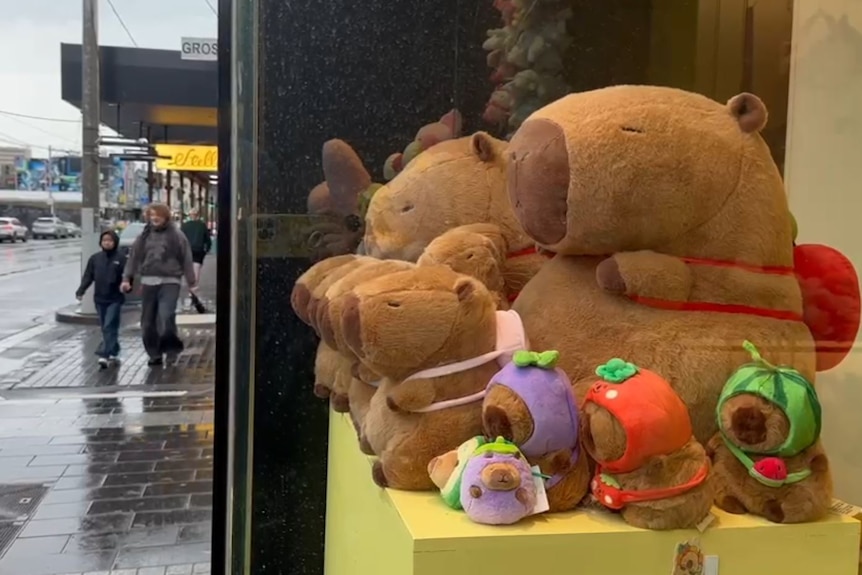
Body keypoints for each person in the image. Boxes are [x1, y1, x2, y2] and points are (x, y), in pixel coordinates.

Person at [121, 203, 197, 366]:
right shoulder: (143, 237)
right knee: (147, 322)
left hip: (170, 281)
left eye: (158, 215)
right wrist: (127, 278)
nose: (155, 218)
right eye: (151, 215)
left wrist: (191, 282)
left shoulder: (176, 235)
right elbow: (133, 258)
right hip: (148, 281)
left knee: (166, 315)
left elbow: (186, 258)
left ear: (165, 217)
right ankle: (154, 353)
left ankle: (170, 348)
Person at [75, 229, 126, 369]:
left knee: (110, 325)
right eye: (104, 240)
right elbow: (88, 276)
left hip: (115, 298)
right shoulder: (95, 259)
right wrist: (81, 290)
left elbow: (128, 276)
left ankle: (104, 354)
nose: (107, 243)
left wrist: (127, 285)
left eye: (110, 240)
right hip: (100, 298)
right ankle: (114, 350)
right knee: (106, 327)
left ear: (115, 242)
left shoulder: (121, 258)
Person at [180, 208, 212, 300]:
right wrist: (206, 250)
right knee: (196, 269)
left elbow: (181, 239)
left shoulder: (185, 226)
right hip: (198, 251)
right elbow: (208, 240)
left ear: (190, 215)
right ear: (198, 215)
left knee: (188, 269)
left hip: (187, 250)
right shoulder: (202, 226)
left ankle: (190, 286)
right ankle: (193, 288)